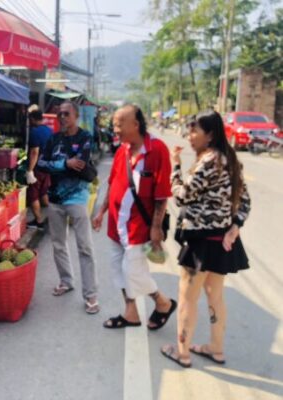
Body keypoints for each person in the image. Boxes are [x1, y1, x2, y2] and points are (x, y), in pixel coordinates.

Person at [161, 110, 251, 368]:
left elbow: (182, 196)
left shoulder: (208, 161)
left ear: (209, 135)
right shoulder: (230, 159)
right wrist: (235, 226)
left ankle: (182, 353)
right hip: (221, 241)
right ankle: (216, 349)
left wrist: (175, 165)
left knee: (188, 297)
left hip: (200, 241)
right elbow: (245, 202)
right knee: (215, 297)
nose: (189, 136)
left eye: (194, 131)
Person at [92, 104, 176, 329]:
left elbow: (161, 195)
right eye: (114, 125)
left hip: (138, 227)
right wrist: (101, 211)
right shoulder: (122, 150)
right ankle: (131, 313)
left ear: (135, 124)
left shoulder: (157, 150)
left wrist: (156, 227)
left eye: (119, 124)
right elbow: (113, 182)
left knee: (134, 272)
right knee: (118, 269)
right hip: (116, 224)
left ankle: (163, 303)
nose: (115, 129)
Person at [37, 101, 99, 314]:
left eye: (66, 114)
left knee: (85, 247)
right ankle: (66, 281)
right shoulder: (52, 139)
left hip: (78, 199)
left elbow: (80, 163)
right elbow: (41, 164)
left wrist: (57, 165)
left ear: (76, 116)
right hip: (54, 200)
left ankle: (91, 294)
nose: (62, 117)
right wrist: (65, 164)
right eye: (59, 114)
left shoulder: (85, 137)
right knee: (58, 244)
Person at [26, 109, 53, 229]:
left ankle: (39, 221)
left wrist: (30, 170)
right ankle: (52, 217)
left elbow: (34, 152)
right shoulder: (49, 130)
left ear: (32, 119)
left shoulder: (34, 132)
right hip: (47, 167)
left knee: (33, 195)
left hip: (38, 168)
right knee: (44, 192)